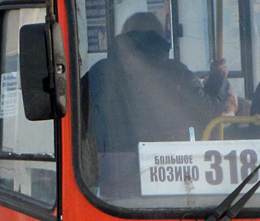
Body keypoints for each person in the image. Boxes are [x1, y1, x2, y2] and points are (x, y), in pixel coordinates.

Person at [81, 12, 229, 194]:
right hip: (168, 170)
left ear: (124, 35)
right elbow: (208, 110)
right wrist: (218, 78)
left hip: (111, 173)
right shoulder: (176, 73)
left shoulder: (98, 72)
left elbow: (79, 120)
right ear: (160, 38)